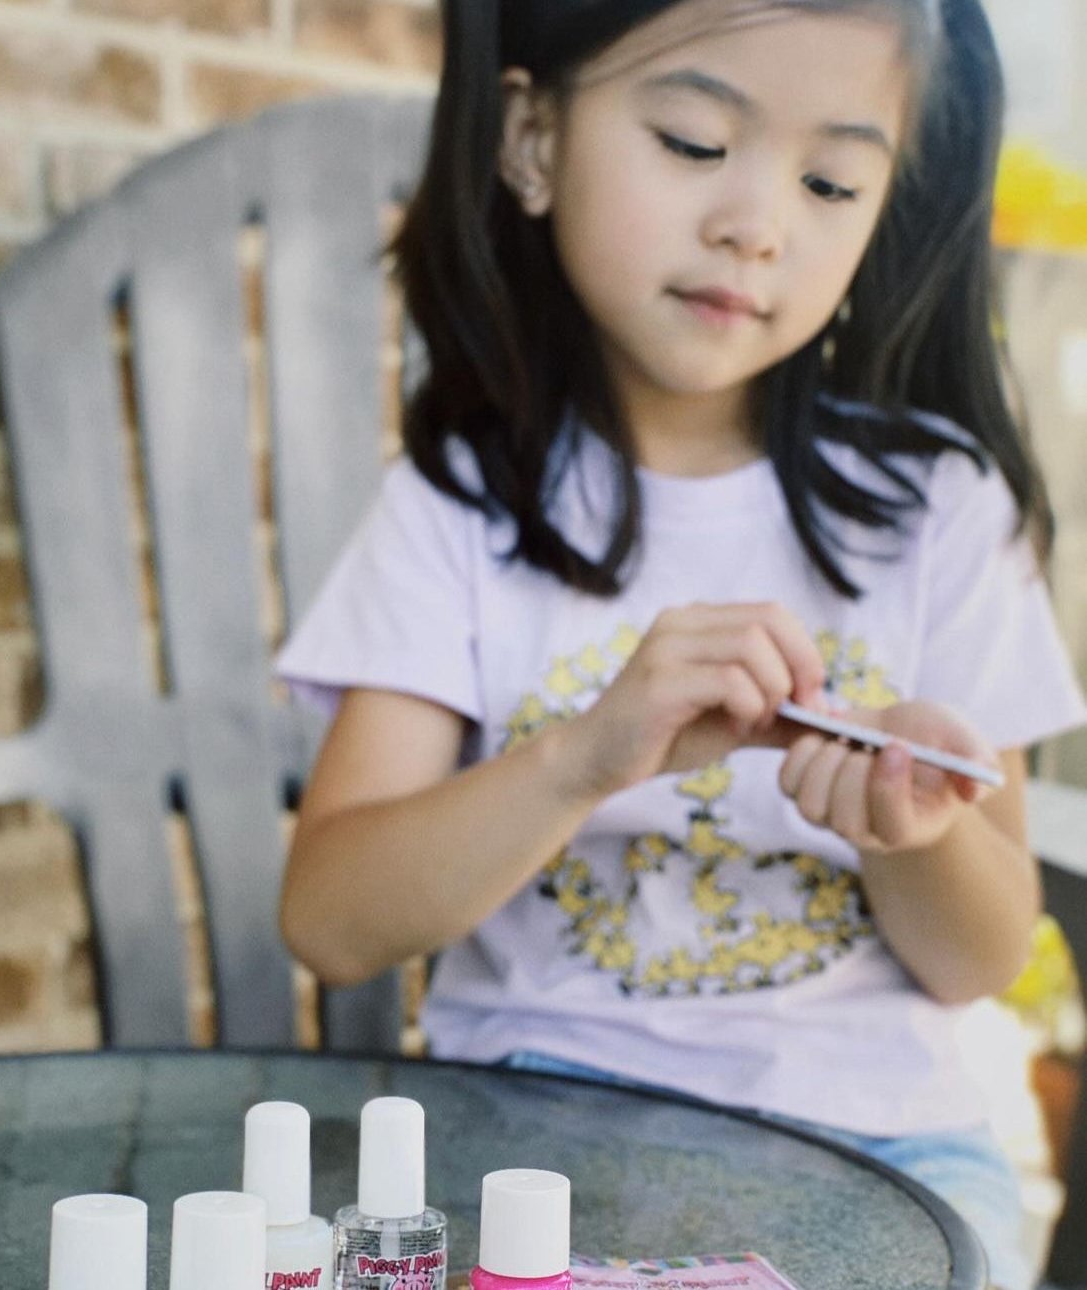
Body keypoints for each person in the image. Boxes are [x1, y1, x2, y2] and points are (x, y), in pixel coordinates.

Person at [274, 1, 1087, 1286]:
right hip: (530, 1143)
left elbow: (984, 958)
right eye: (697, 142)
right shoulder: (459, 513)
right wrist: (583, 757)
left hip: (882, 1150)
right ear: (534, 138)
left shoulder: (940, 514)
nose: (758, 224)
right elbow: (330, 921)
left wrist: (914, 834)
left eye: (831, 180)